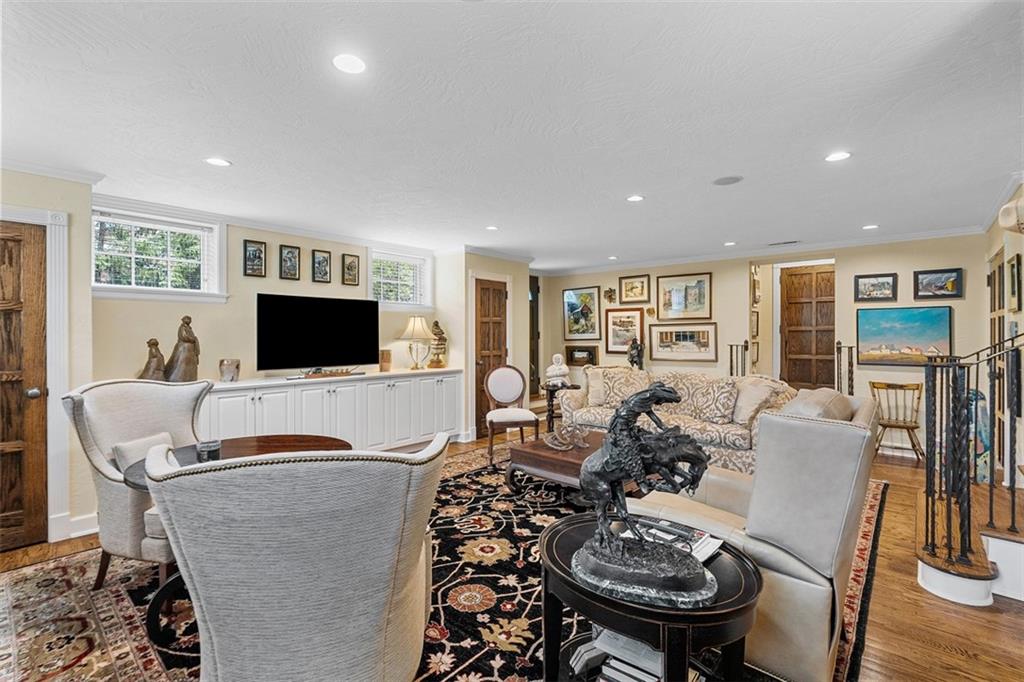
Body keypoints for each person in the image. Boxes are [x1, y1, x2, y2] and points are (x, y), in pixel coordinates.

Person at [165, 316, 200, 382]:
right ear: (183, 320)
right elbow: (183, 336)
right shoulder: (182, 328)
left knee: (188, 364)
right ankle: (177, 377)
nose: (189, 320)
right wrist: (192, 339)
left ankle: (189, 377)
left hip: (190, 349)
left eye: (190, 319)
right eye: (187, 319)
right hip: (184, 348)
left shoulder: (189, 328)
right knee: (180, 362)